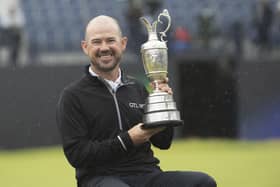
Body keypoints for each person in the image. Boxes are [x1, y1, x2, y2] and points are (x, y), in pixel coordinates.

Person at [56, 15, 217, 187]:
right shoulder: (73, 96)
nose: (104, 48)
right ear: (85, 47)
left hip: (146, 174)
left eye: (111, 40)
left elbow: (163, 142)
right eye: (97, 42)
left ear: (123, 43)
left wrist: (164, 104)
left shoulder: (138, 88)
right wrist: (128, 139)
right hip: (99, 177)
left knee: (202, 183)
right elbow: (78, 155)